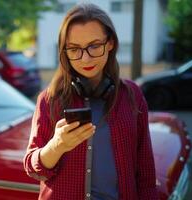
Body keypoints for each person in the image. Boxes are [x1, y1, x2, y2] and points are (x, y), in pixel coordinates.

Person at [23, 3, 159, 200]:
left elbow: (146, 172)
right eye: (74, 49)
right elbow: (33, 169)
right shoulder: (49, 99)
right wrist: (57, 145)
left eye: (94, 46)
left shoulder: (132, 95)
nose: (85, 59)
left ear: (110, 43)